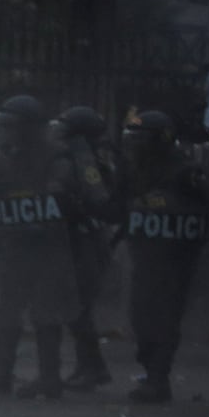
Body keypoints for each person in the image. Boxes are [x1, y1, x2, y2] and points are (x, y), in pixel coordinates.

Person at [0, 94, 113, 399]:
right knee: (7, 311)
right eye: (3, 125)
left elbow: (70, 199)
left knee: (46, 314)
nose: (5, 132)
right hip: (14, 247)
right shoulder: (7, 156)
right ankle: (1, 372)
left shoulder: (57, 159)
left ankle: (49, 377)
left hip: (48, 250)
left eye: (11, 126)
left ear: (28, 128)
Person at [119, 109, 209, 402]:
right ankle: (151, 371)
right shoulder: (135, 171)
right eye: (132, 138)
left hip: (176, 259)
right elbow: (117, 207)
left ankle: (158, 379)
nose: (135, 145)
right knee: (140, 316)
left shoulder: (185, 171)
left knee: (164, 318)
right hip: (145, 255)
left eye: (142, 139)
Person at [53, 105, 118, 390]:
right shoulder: (82, 157)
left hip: (86, 241)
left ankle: (94, 368)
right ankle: (87, 366)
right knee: (74, 307)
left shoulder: (85, 160)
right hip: (80, 241)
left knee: (78, 307)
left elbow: (98, 199)